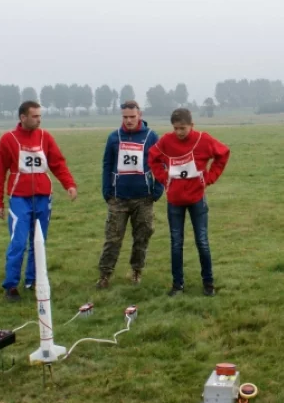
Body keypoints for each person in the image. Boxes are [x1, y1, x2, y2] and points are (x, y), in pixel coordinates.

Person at [0, 101, 77, 302]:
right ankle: (11, 285)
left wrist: (69, 185)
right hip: (19, 198)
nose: (39, 119)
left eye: (40, 116)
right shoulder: (8, 139)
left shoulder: (45, 137)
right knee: (18, 242)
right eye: (35, 116)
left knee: (39, 241)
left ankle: (33, 280)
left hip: (43, 197)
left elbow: (57, 163)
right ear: (23, 117)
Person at [149, 108, 230, 297]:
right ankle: (177, 285)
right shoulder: (166, 141)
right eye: (176, 128)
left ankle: (208, 283)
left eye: (183, 128)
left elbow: (223, 154)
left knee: (202, 241)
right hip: (174, 201)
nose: (179, 132)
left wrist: (209, 178)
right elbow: (152, 158)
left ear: (192, 125)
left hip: (197, 199)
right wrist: (164, 178)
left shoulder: (204, 139)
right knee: (176, 242)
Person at [96, 100, 164, 289]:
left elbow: (160, 164)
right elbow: (107, 165)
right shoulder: (114, 138)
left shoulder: (151, 137)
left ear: (139, 115)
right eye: (125, 117)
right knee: (112, 238)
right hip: (118, 199)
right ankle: (105, 274)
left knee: (142, 236)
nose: (128, 120)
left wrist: (157, 190)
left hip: (144, 198)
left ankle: (136, 271)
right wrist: (107, 192)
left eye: (132, 117)